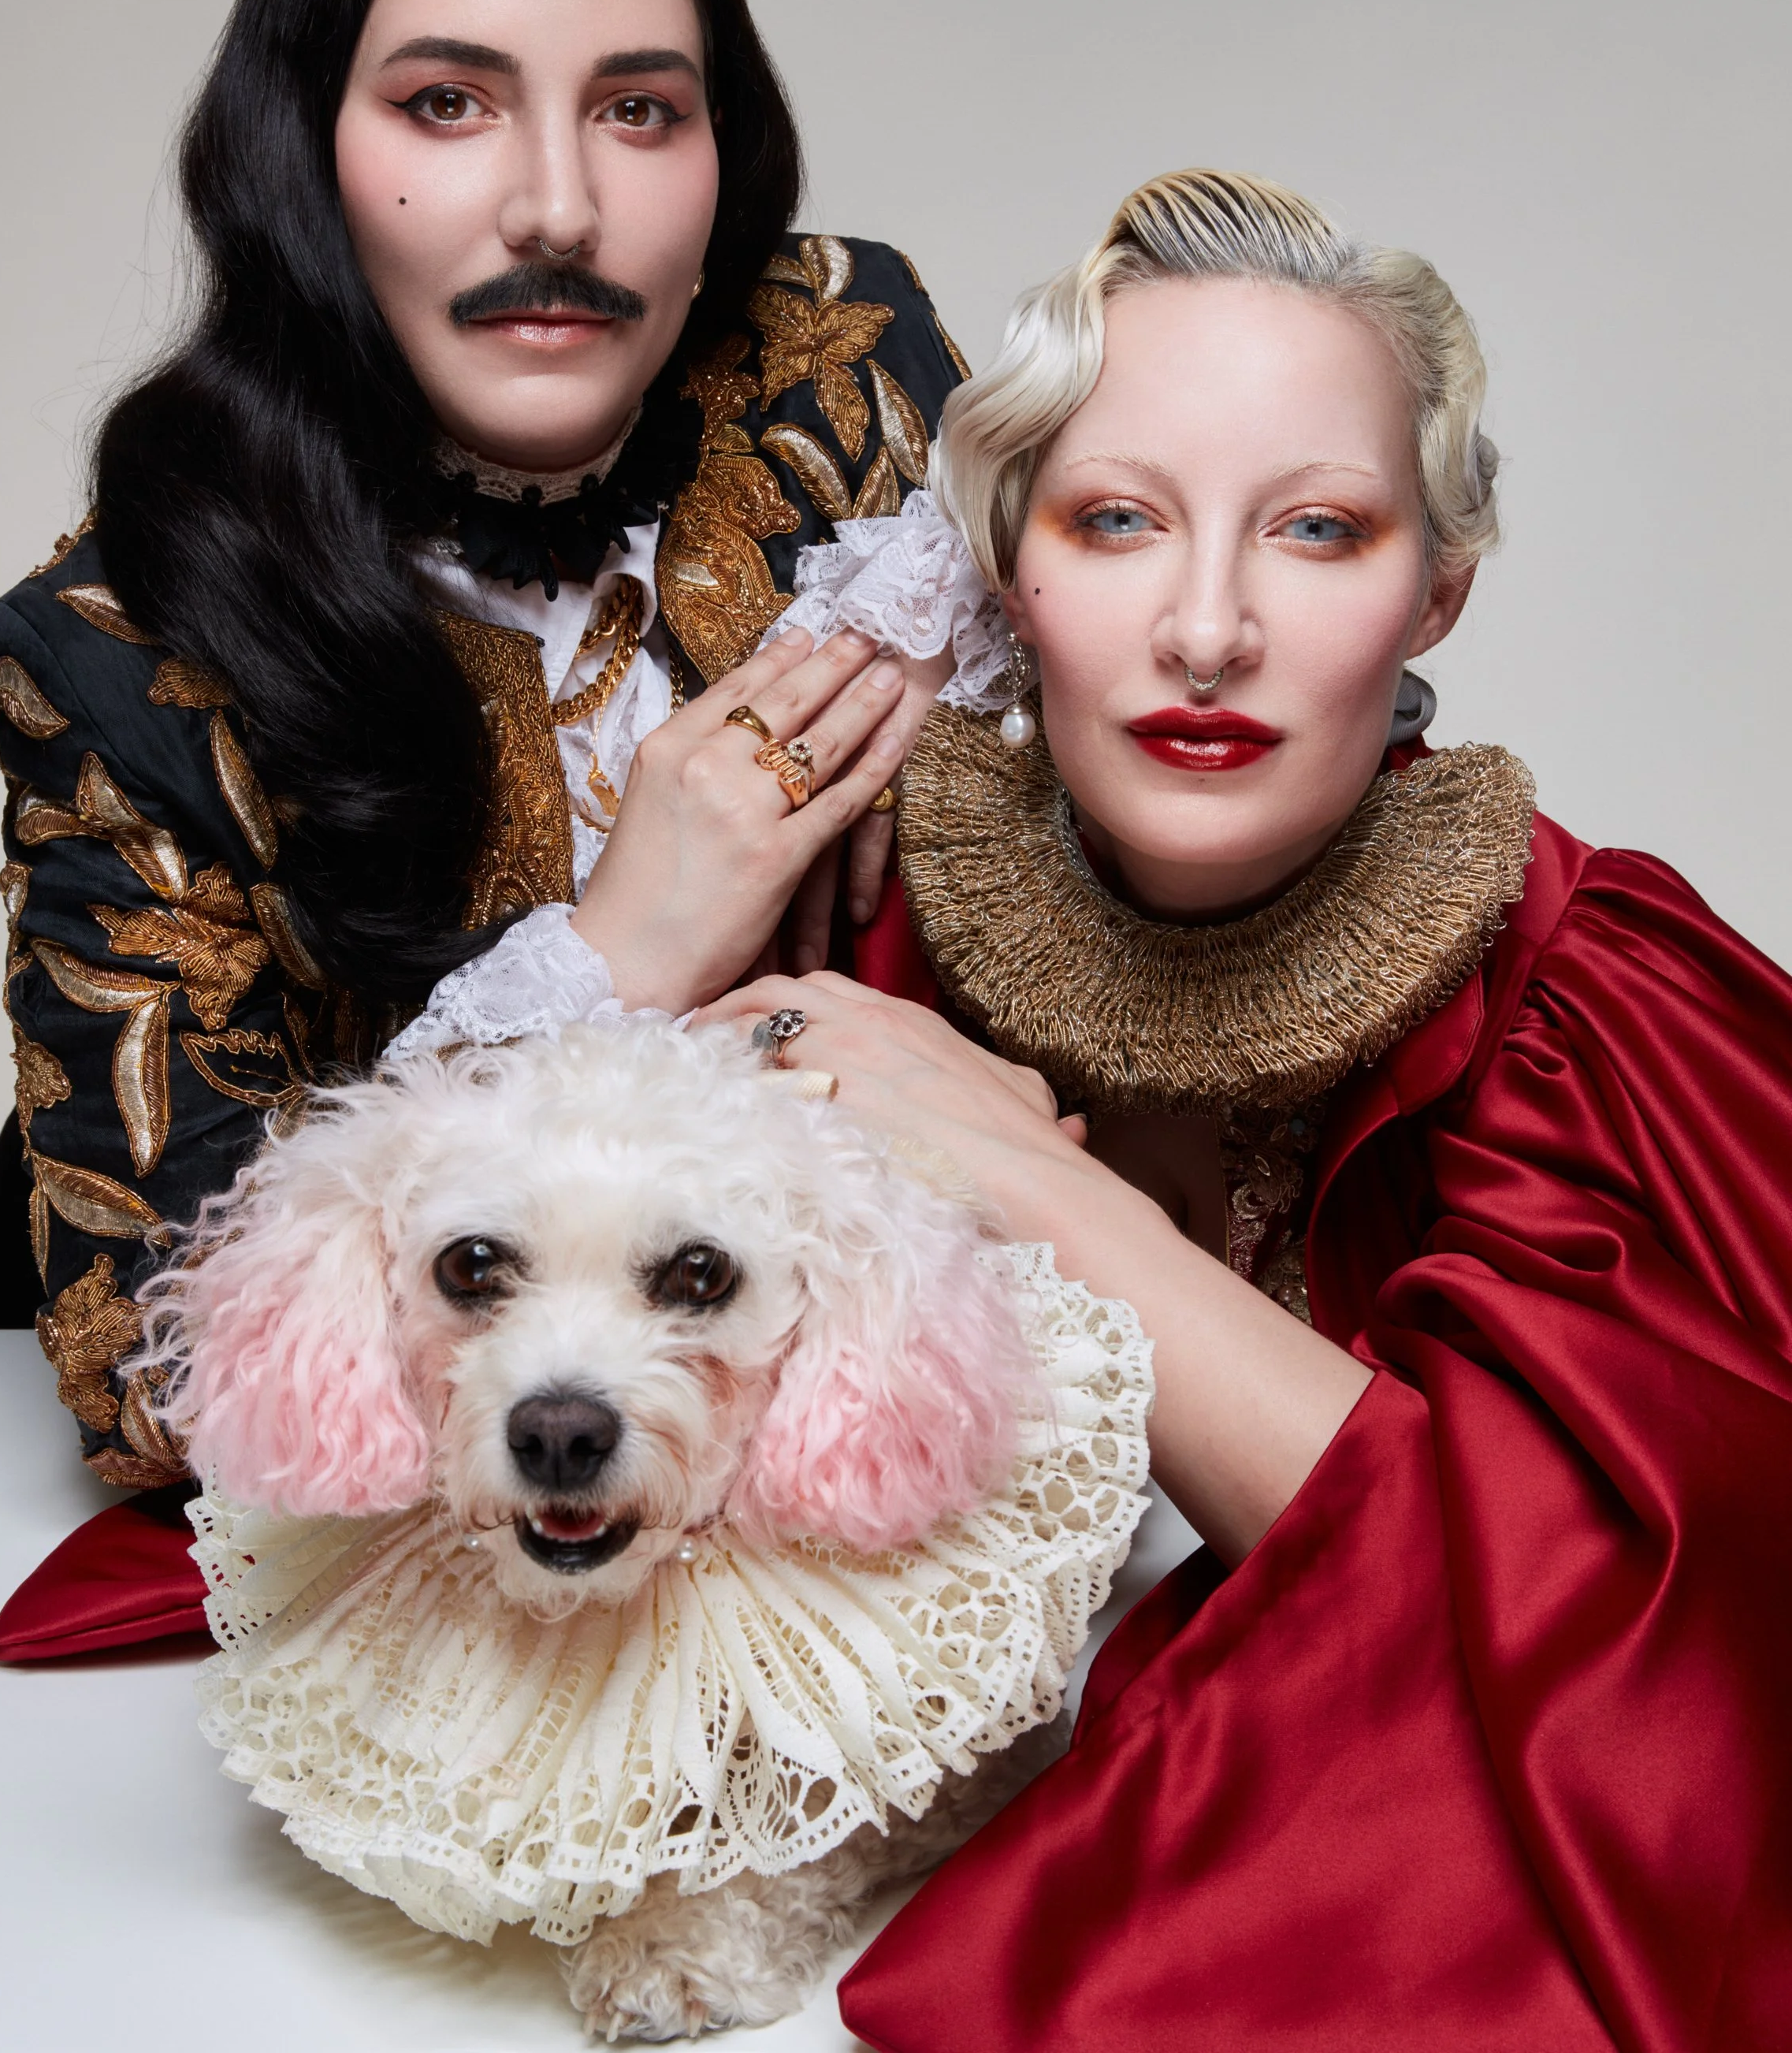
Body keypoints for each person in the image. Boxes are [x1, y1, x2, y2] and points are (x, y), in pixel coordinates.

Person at [699, 172, 1792, 2048]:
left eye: (1319, 531)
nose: (1206, 631)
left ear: (1438, 583)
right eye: (1118, 522)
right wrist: (638, 945)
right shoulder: (849, 928)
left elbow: (1613, 1667)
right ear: (1007, 559)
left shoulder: (1591, 990)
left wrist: (1019, 1181)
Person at [0, 0, 980, 1498]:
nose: (558, 210)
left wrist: (971, 633)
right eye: (449, 103)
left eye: (640, 110)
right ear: (303, 145)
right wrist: (616, 961)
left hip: (835, 1474)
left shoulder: (850, 369)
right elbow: (150, 1369)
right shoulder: (121, 645)